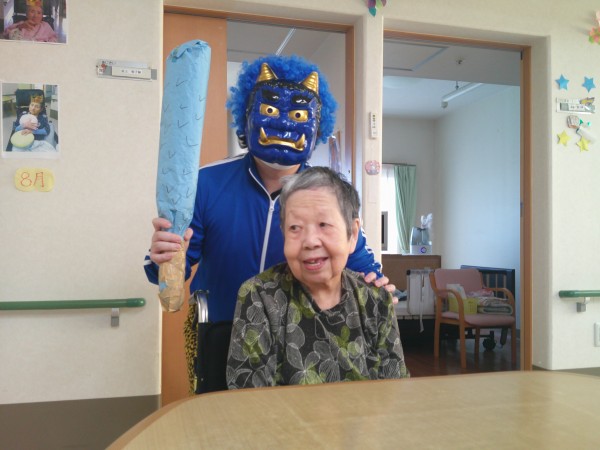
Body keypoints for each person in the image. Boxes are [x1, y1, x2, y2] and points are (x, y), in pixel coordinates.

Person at [145, 55, 395, 390]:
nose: (283, 123)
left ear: (317, 125)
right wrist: (164, 257)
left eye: (298, 114)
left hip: (302, 337)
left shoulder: (327, 195)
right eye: (270, 110)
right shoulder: (205, 183)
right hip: (220, 329)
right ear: (246, 114)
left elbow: (356, 259)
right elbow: (172, 271)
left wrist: (376, 285)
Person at [227, 167, 409, 388]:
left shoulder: (376, 300)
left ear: (352, 234)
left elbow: (394, 390)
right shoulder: (259, 297)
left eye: (323, 225)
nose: (310, 241)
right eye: (295, 228)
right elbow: (249, 397)